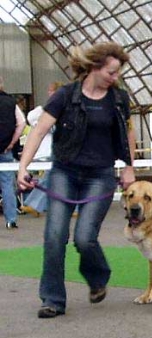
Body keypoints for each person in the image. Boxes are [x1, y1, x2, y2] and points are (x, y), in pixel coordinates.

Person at [17, 41, 136, 319]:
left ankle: (97, 277)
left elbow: (128, 133)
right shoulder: (65, 96)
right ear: (95, 68)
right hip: (64, 172)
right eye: (111, 72)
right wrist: (24, 166)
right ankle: (53, 299)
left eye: (118, 73)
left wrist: (129, 167)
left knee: (84, 238)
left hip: (101, 175)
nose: (115, 78)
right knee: (55, 236)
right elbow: (38, 130)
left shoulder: (119, 99)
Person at [21, 82, 63, 217]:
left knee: (51, 178)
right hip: (50, 151)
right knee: (51, 178)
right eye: (49, 91)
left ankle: (34, 204)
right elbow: (31, 119)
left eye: (52, 91)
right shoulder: (44, 110)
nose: (49, 93)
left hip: (58, 150)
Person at [0, 76, 26, 229]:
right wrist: (11, 143)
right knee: (7, 184)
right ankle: (11, 219)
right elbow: (21, 123)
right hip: (5, 149)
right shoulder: (11, 102)